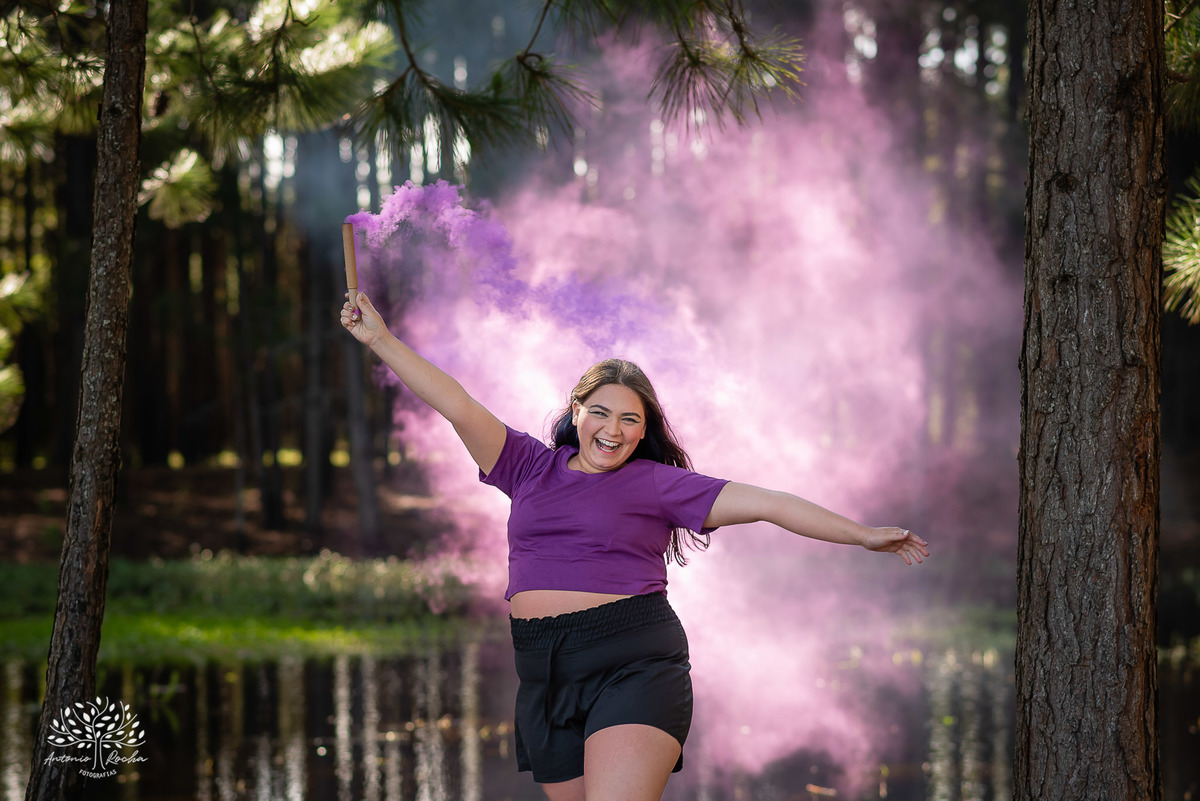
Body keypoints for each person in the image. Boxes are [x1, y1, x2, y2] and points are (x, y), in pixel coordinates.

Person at [341, 292, 929, 801]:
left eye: (629, 419)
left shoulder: (656, 483)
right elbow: (457, 404)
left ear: (644, 430)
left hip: (633, 662)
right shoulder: (526, 467)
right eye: (600, 413)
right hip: (543, 671)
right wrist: (382, 339)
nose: (613, 430)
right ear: (576, 413)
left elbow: (769, 502)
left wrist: (861, 534)